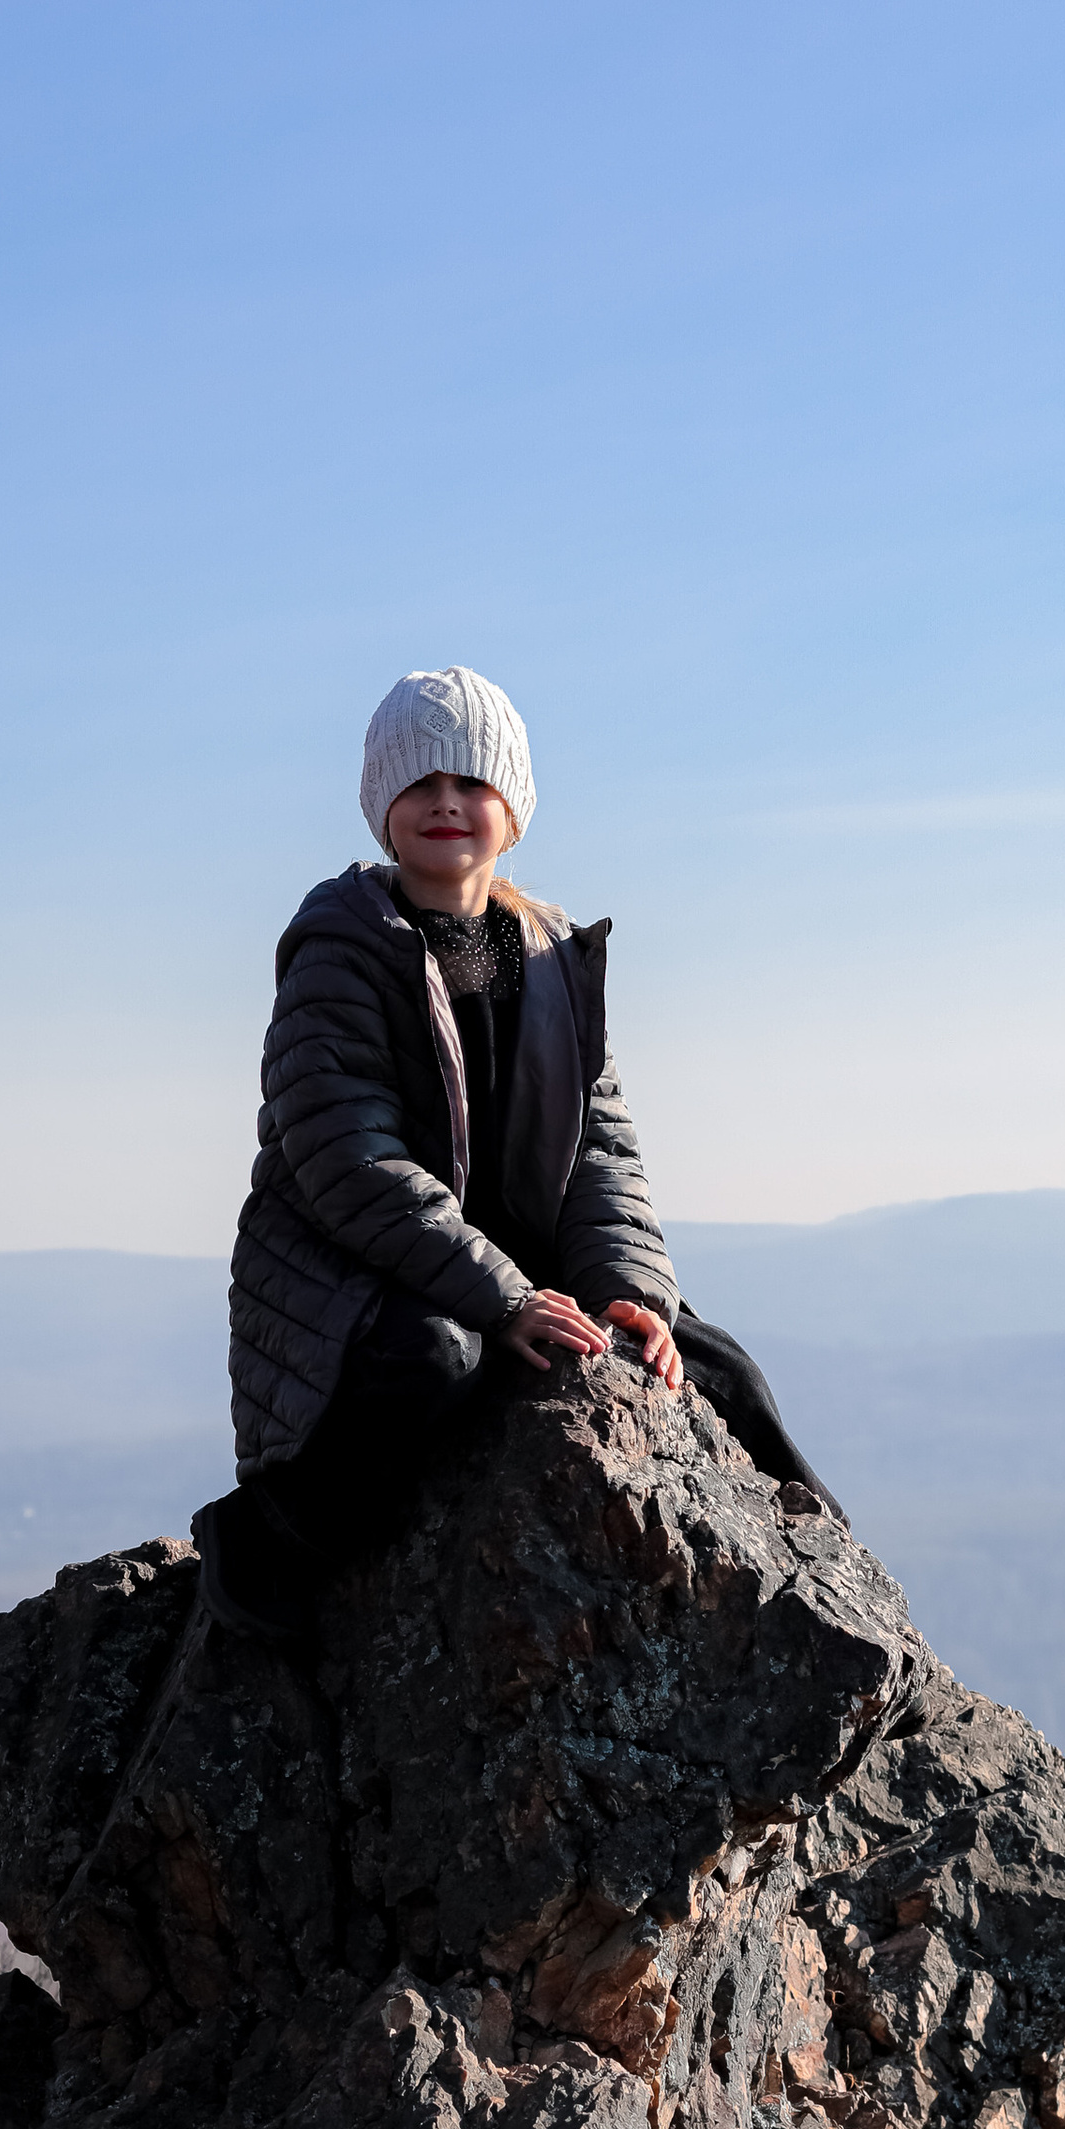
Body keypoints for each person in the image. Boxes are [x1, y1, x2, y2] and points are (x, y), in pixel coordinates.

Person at [194, 665, 839, 1645]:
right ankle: (262, 1540)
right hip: (357, 1276)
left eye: (472, 781)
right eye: (418, 782)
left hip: (516, 1274)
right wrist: (500, 1300)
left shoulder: (553, 958)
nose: (446, 802)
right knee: (432, 1361)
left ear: (514, 809)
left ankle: (829, 1586)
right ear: (381, 806)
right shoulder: (342, 948)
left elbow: (600, 1154)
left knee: (713, 1369)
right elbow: (349, 1162)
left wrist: (628, 1294)